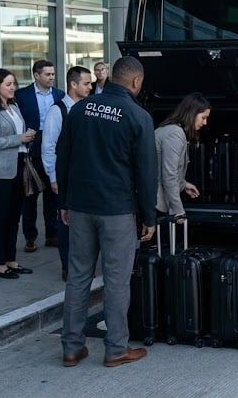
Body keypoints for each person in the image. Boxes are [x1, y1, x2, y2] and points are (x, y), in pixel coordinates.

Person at [57, 56, 157, 368]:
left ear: (111, 77)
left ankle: (71, 347)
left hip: (82, 207)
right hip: (117, 210)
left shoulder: (80, 109)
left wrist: (64, 202)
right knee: (116, 280)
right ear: (136, 82)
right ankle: (115, 349)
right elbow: (146, 173)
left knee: (78, 277)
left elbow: (64, 155)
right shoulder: (138, 116)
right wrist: (149, 217)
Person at [0, 68, 38, 279]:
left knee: (14, 217)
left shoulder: (13, 106)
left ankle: (11, 260)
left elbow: (17, 134)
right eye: (8, 84)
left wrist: (27, 136)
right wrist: (19, 139)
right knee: (1, 217)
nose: (13, 88)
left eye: (13, 84)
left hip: (19, 166)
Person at [41, 65, 93, 281]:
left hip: (85, 176)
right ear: (73, 85)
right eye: (86, 83)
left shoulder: (88, 107)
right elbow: (48, 146)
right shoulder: (57, 111)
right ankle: (67, 267)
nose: (91, 87)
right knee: (66, 223)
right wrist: (53, 177)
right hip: (65, 177)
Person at [14, 59, 63, 253]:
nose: (51, 77)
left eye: (52, 74)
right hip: (32, 147)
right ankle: (30, 237)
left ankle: (52, 234)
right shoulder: (22, 95)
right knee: (30, 195)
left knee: (53, 193)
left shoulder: (59, 95)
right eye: (47, 74)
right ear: (36, 75)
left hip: (53, 145)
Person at [155, 92, 210, 225]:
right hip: (154, 200)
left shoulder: (172, 131)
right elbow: (169, 174)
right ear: (192, 113)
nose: (205, 123)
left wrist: (183, 184)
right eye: (203, 117)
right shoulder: (175, 134)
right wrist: (178, 211)